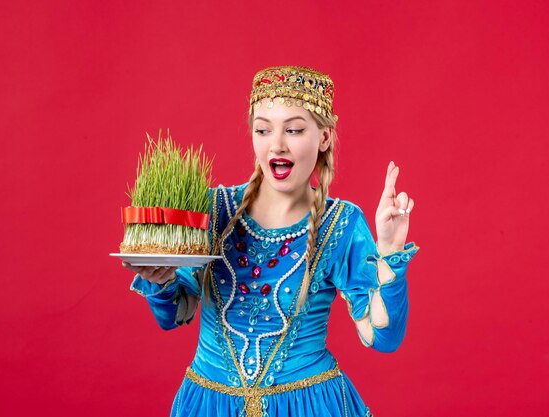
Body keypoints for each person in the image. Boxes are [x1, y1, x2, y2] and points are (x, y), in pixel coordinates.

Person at [122, 65, 420, 417]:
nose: (276, 144)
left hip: (308, 406)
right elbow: (176, 313)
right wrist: (163, 280)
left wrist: (389, 252)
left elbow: (382, 338)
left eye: (294, 129)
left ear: (323, 138)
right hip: (209, 405)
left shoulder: (341, 223)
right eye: (263, 130)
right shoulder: (214, 210)